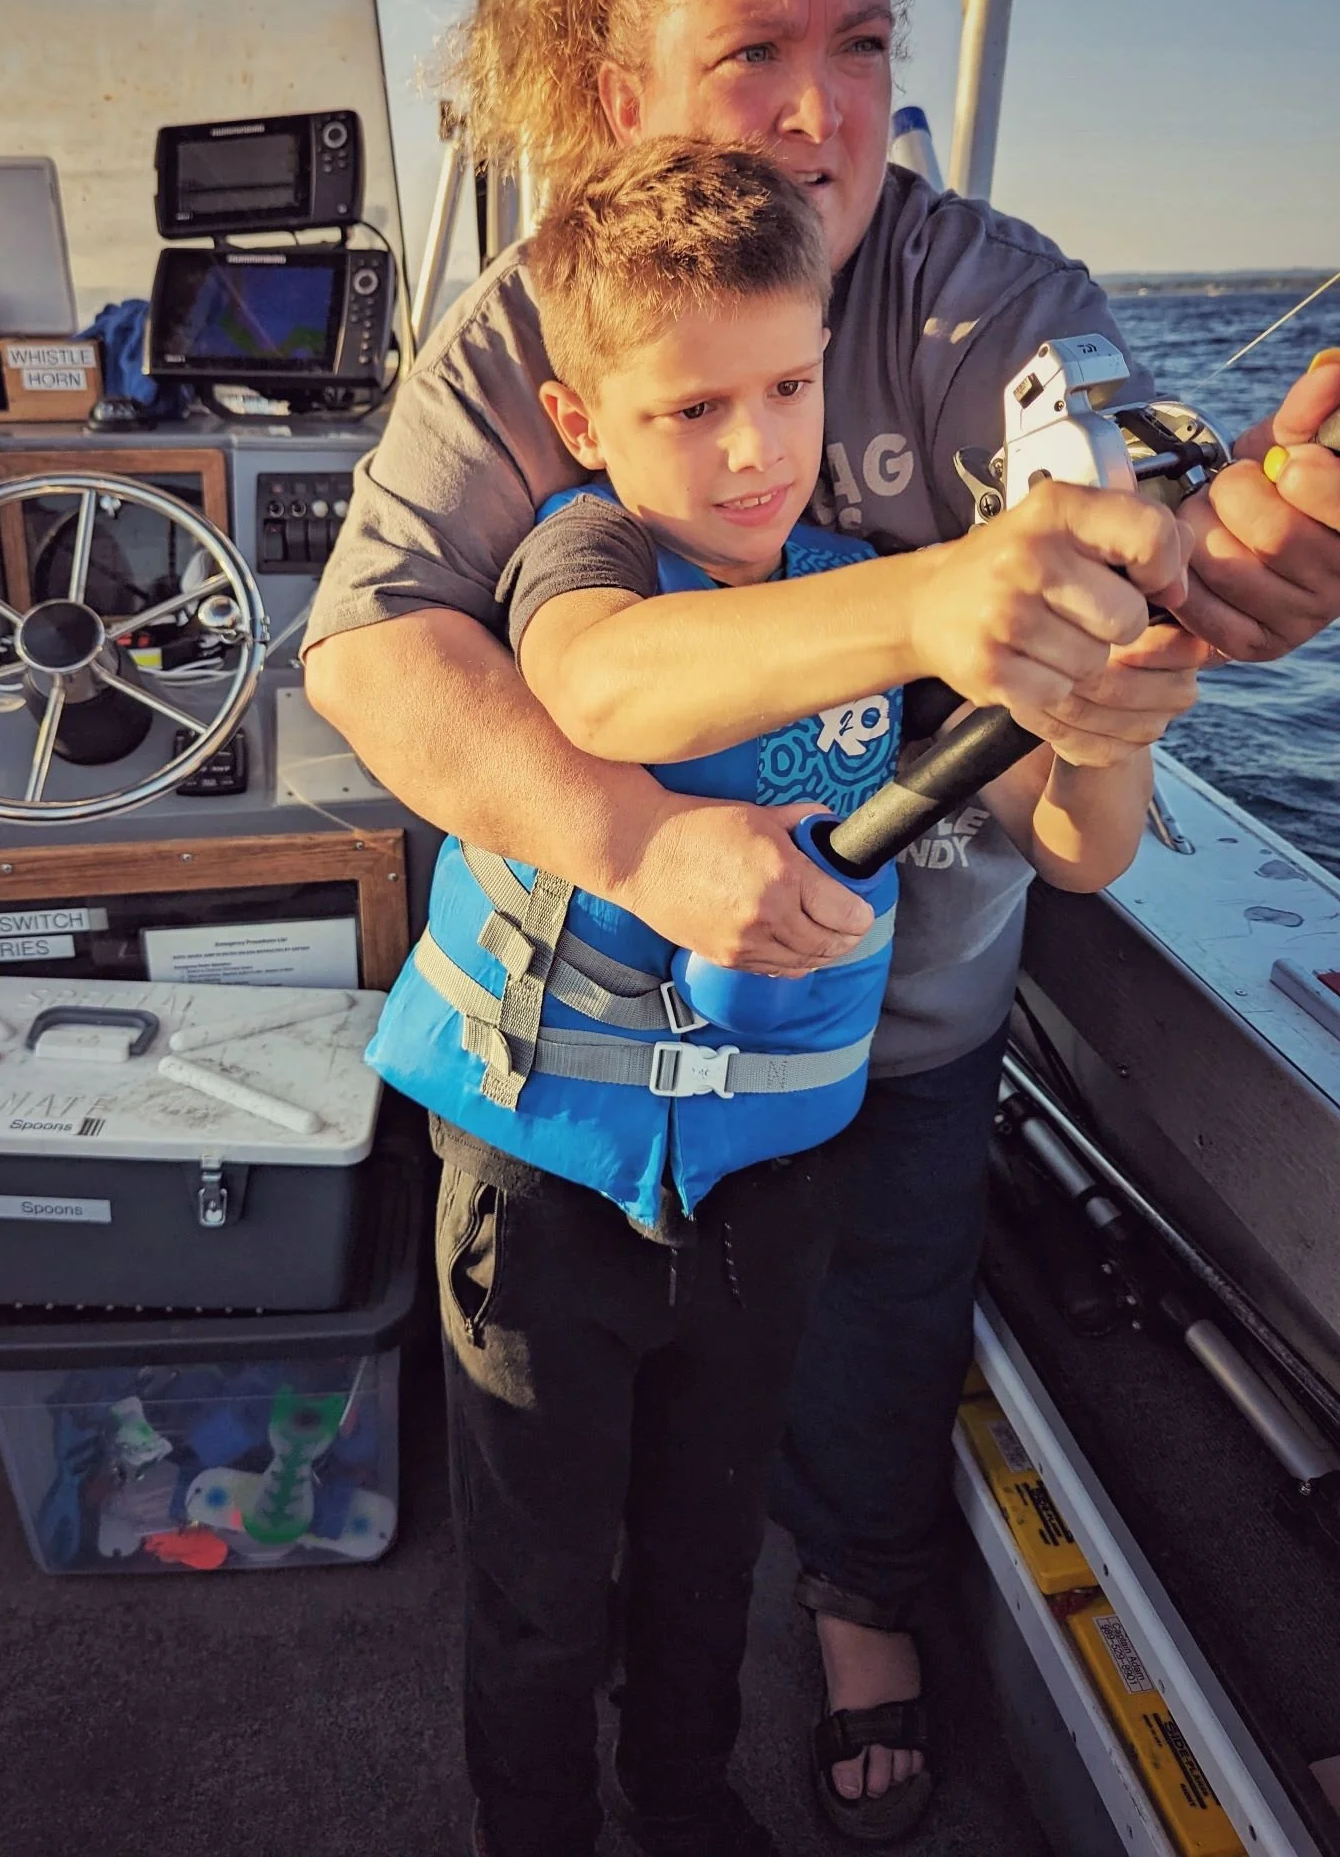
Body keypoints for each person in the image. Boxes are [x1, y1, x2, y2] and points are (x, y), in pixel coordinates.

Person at [301, 0, 1340, 1840]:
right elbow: (396, 649)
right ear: (617, 108)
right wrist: (658, 820)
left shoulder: (997, 297)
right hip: (568, 1092)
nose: (819, 108)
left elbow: (1114, 504)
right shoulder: (555, 324)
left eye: (859, 46)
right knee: (554, 1510)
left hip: (884, 1034)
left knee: (866, 1324)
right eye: (752, 50)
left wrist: (1237, 561)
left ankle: (852, 1608)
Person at [362, 136, 1194, 1857]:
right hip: (545, 1188)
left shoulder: (855, 584)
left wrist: (1106, 720)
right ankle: (537, 1834)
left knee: (707, 1539)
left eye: (791, 386)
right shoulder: (578, 556)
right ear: (585, 421)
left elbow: (1074, 841)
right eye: (689, 408)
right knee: (538, 1583)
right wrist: (945, 599)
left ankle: (683, 1803)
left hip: (771, 1189)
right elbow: (600, 690)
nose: (753, 448)